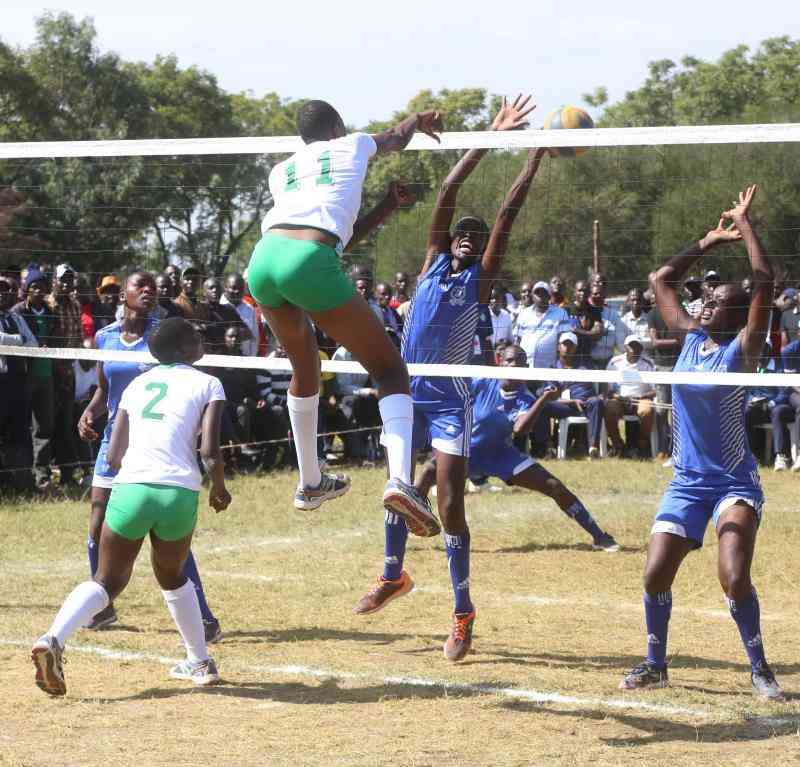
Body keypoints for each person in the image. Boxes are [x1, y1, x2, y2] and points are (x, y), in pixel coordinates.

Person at [354, 95, 542, 663]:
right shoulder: (433, 262)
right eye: (462, 232)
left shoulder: (480, 280)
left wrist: (532, 157)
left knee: (452, 506)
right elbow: (447, 192)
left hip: (449, 400)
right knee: (397, 488)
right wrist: (488, 136)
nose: (467, 236)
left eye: (474, 236)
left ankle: (463, 613)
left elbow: (506, 217)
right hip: (406, 389)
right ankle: (392, 574)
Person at [619, 185, 783, 700]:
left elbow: (764, 281)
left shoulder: (743, 350)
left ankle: (760, 669)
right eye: (707, 299)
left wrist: (746, 224)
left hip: (733, 482)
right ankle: (655, 665)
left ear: (737, 316)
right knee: (654, 574)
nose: (707, 303)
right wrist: (709, 241)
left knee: (733, 576)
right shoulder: (691, 337)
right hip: (687, 481)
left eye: (718, 302)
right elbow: (660, 279)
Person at [246, 98, 441, 522]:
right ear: (337, 127)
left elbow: (329, 235)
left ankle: (310, 482)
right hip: (308, 258)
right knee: (388, 369)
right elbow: (396, 137)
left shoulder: (282, 171)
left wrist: (385, 208)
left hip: (262, 261)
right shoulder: (351, 143)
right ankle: (400, 481)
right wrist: (417, 119)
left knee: (305, 369)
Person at [32, 318, 231, 695]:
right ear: (182, 347)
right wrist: (219, 488)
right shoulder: (209, 382)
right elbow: (209, 450)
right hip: (177, 491)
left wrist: (136, 478)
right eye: (195, 334)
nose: (201, 337)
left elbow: (114, 453)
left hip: (131, 486)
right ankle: (199, 661)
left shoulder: (137, 385)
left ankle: (52, 638)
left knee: (106, 581)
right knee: (173, 576)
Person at [77, 272, 221, 640]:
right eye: (139, 285)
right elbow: (104, 388)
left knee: (167, 535)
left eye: (152, 287)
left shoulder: (163, 338)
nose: (147, 290)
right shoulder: (106, 337)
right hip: (115, 438)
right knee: (98, 520)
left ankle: (203, 615)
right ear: (122, 294)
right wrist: (90, 412)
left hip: (154, 442)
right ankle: (103, 606)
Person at [418, 344, 619, 550]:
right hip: (464, 452)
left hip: (501, 456)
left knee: (554, 486)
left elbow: (520, 429)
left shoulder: (526, 399)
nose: (513, 365)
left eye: (519, 362)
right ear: (500, 362)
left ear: (526, 368)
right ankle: (406, 529)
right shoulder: (482, 381)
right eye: (509, 360)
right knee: (425, 475)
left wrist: (543, 400)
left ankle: (599, 537)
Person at [531, 331, 605, 458]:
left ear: (575, 347)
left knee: (597, 402)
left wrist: (601, 394)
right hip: (565, 405)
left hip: (587, 403)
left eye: (571, 345)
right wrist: (571, 402)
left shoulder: (586, 365)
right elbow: (549, 395)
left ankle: (593, 448)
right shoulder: (553, 368)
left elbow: (602, 381)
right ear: (558, 347)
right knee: (541, 406)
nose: (567, 348)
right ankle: (549, 448)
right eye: (564, 344)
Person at [14, 269, 55, 490]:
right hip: (24, 375)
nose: (39, 291)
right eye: (34, 287)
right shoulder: (18, 312)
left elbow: (58, 340)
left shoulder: (51, 312)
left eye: (42, 287)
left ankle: (42, 475)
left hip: (46, 375)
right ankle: (22, 475)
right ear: (26, 290)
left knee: (44, 427)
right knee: (22, 425)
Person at [0, 274, 37, 492]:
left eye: (5, 290)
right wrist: (18, 339)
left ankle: (21, 482)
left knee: (20, 431)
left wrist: (14, 340)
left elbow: (32, 344)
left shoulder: (15, 317)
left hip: (17, 382)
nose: (2, 294)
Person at [48, 264, 83, 487]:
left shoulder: (75, 305)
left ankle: (68, 474)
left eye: (69, 279)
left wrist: (70, 365)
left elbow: (78, 337)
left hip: (68, 370)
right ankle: (46, 474)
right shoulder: (48, 304)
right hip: (49, 370)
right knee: (48, 423)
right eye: (62, 279)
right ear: (54, 280)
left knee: (67, 422)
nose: (66, 283)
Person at [604, 335, 656, 458]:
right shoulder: (615, 362)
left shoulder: (648, 363)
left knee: (647, 411)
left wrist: (641, 397)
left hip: (641, 398)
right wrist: (618, 397)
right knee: (609, 409)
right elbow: (607, 389)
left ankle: (642, 444)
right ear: (625, 347)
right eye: (631, 345)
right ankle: (617, 444)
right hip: (620, 399)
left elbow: (655, 390)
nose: (634, 348)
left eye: (637, 345)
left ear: (641, 348)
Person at [514, 281, 572, 369]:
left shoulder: (561, 313)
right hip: (525, 366)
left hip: (549, 367)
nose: (540, 295)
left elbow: (564, 341)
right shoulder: (523, 314)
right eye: (537, 293)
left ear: (549, 296)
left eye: (544, 293)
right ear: (532, 296)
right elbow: (517, 340)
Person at [222, 272, 260, 356]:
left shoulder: (250, 310)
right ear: (225, 287)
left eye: (241, 288)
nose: (237, 291)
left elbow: (254, 338)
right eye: (233, 288)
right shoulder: (217, 306)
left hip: (245, 360)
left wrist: (251, 359)